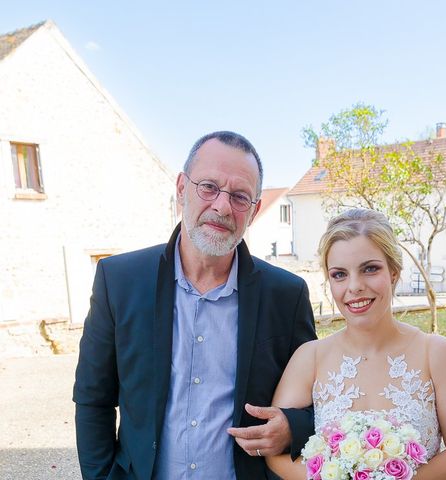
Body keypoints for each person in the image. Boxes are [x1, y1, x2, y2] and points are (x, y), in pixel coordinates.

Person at [73, 131, 317, 480]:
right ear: (181, 189)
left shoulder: (286, 295)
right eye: (208, 187)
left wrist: (292, 428)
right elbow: (92, 398)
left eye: (239, 196)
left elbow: (317, 404)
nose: (221, 206)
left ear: (254, 210)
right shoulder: (119, 280)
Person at [266, 208, 446, 479]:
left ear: (393, 272)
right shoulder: (309, 358)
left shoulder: (436, 353)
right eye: (339, 274)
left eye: (370, 269)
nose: (354, 286)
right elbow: (275, 452)